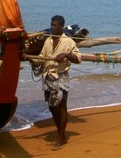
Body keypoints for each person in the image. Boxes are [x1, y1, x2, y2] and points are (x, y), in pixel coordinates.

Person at [37, 15, 81, 149]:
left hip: (61, 77)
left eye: (55, 25)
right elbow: (41, 57)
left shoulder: (68, 42)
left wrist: (66, 55)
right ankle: (60, 133)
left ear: (62, 27)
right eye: (51, 24)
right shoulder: (48, 41)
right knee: (51, 107)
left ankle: (61, 137)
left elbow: (78, 58)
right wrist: (31, 59)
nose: (52, 27)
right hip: (48, 77)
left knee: (61, 107)